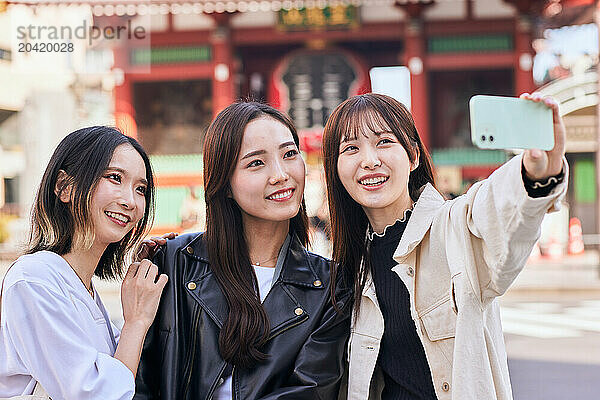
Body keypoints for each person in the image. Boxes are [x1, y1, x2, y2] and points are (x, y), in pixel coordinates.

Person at [321, 93, 567, 400]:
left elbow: (492, 208)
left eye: (384, 142)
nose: (369, 160)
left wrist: (537, 173)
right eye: (351, 148)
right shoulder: (350, 266)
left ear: (413, 156)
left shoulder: (453, 228)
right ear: (336, 169)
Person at [134, 101, 351, 400]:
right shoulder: (175, 262)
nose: (280, 174)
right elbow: (139, 381)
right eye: (256, 163)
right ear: (224, 183)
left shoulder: (331, 285)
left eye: (289, 154)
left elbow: (311, 391)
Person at [0, 127, 167, 399]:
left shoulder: (84, 288)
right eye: (114, 178)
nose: (130, 201)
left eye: (140, 189)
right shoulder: (34, 279)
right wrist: (135, 322)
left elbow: (123, 369)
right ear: (64, 187)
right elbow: (96, 394)